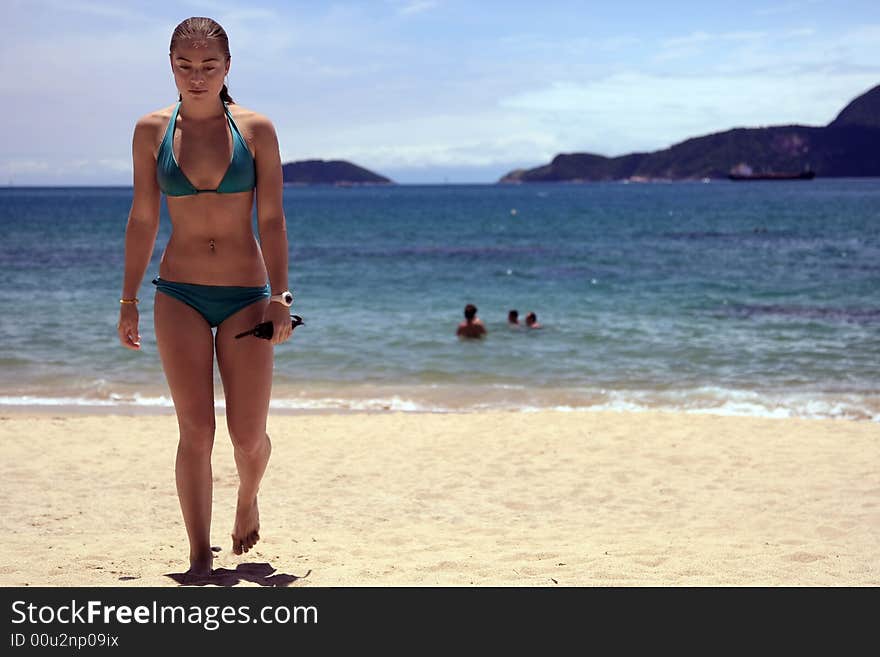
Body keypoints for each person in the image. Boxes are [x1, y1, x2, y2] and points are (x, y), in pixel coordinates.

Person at [116, 17, 293, 579]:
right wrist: (127, 299)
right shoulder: (151, 131)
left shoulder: (256, 129)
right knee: (195, 431)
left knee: (247, 436)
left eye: (209, 66)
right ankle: (198, 554)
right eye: (185, 66)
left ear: (228, 68)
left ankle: (247, 497)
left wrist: (281, 297)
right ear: (170, 65)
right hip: (179, 294)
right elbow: (143, 218)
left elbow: (272, 219)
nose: (197, 77)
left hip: (246, 295)